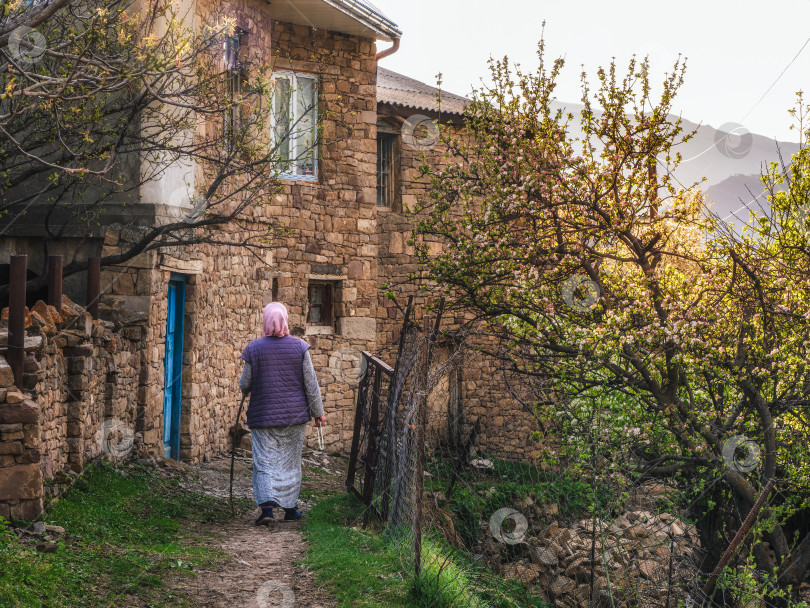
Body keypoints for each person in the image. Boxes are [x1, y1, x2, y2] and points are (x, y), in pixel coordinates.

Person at [239, 302, 326, 525]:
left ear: (266, 321)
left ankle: (267, 509)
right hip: (294, 418)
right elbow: (311, 384)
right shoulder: (299, 347)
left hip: (263, 417)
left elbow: (245, 384)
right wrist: (318, 413)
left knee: (265, 463)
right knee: (289, 463)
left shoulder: (254, 348)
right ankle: (290, 509)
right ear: (285, 320)